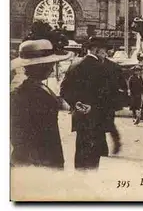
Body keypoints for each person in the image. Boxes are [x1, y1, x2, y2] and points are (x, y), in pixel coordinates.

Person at [11, 38, 72, 169]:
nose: (51, 69)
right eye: (49, 65)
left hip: (47, 156)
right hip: (37, 161)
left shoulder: (39, 88)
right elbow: (19, 136)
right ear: (38, 67)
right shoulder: (22, 94)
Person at [60, 37, 109, 170]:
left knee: (81, 151)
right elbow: (106, 96)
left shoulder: (75, 65)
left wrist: (76, 103)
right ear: (96, 50)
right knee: (93, 157)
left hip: (80, 117)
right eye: (104, 51)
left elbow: (63, 90)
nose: (106, 54)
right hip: (96, 117)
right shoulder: (102, 68)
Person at [101, 55, 129, 155]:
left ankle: (116, 142)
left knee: (108, 123)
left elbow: (123, 85)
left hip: (108, 100)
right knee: (103, 123)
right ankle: (107, 147)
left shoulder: (113, 66)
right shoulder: (112, 65)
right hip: (104, 100)